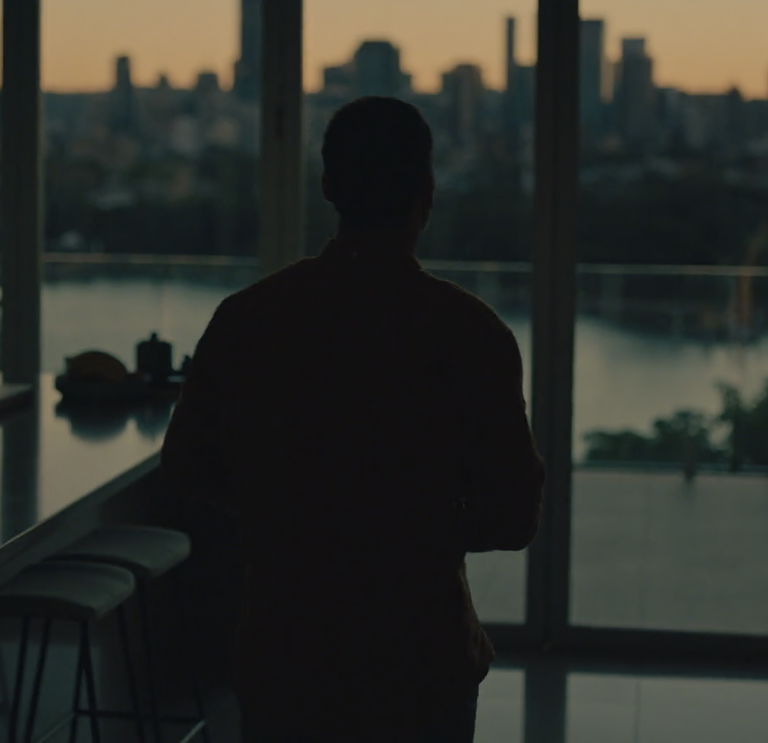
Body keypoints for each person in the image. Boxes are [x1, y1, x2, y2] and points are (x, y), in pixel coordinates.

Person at [160, 96, 546, 743]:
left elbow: (185, 465)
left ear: (328, 186)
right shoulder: (471, 333)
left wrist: (281, 510)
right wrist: (412, 524)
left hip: (285, 653)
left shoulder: (248, 320)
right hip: (422, 659)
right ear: (426, 193)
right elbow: (514, 515)